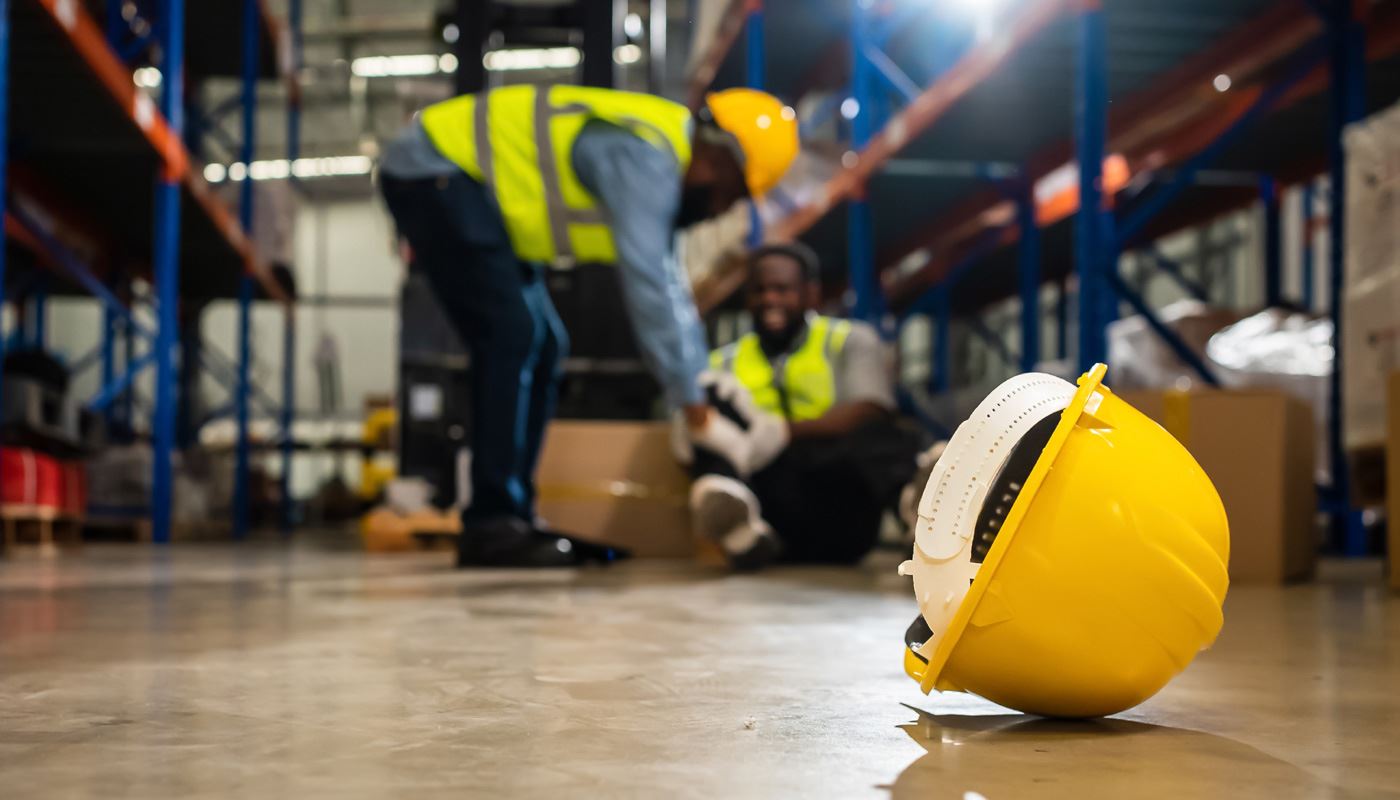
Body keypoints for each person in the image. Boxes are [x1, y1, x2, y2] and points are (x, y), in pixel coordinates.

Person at [376, 83, 799, 568]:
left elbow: (670, 284)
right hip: (435, 170)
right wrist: (694, 408)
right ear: (719, 157)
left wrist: (699, 382)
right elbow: (648, 286)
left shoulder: (661, 155)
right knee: (511, 334)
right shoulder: (644, 158)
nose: (722, 208)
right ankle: (492, 522)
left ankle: (511, 514)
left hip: (466, 187)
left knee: (545, 343)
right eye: (731, 192)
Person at [688, 242, 920, 570]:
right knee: (705, 407)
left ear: (811, 294)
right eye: (759, 290)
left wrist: (781, 431)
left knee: (876, 431)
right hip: (770, 513)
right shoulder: (722, 362)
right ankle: (739, 532)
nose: (770, 299)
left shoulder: (849, 341)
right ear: (747, 299)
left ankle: (914, 509)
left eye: (782, 289)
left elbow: (871, 407)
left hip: (842, 507)